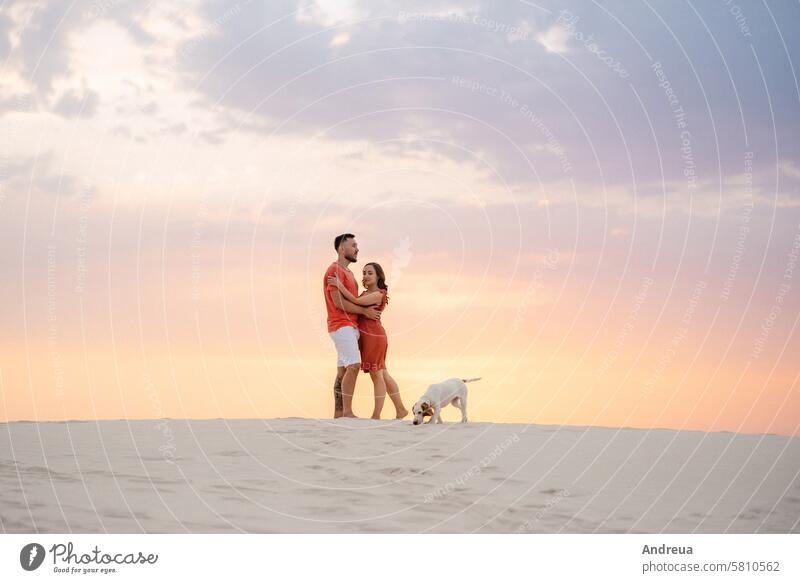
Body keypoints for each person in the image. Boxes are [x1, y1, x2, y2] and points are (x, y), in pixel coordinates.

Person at [328, 262, 408, 420]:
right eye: (364, 273)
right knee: (383, 373)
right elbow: (354, 303)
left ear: (378, 276)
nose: (366, 275)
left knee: (376, 374)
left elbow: (355, 302)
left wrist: (339, 285)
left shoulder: (379, 294)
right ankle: (400, 409)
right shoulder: (364, 293)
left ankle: (376, 415)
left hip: (374, 336)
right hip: (366, 337)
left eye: (370, 273)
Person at [324, 233, 381, 418]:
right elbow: (338, 302)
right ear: (342, 248)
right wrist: (364, 312)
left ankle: (339, 414)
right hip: (341, 325)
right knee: (354, 365)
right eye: (353, 245)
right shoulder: (334, 271)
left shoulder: (348, 274)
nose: (357, 249)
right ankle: (348, 412)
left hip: (350, 326)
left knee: (343, 370)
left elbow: (354, 299)